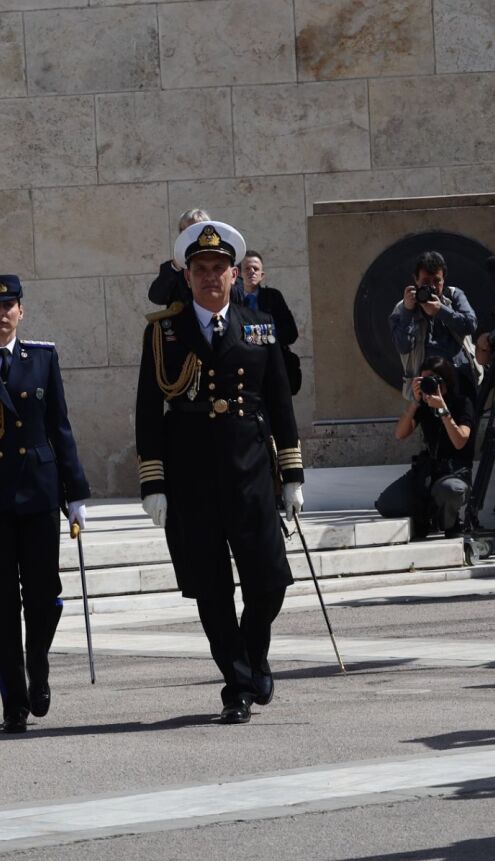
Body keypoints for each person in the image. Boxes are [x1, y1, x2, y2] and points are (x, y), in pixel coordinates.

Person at [134, 221, 303, 725]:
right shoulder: (164, 333)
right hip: (192, 480)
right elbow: (148, 410)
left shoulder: (259, 326)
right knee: (211, 589)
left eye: (218, 269)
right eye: (200, 269)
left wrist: (292, 474)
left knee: (269, 582)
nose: (210, 277)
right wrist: (153, 483)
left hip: (252, 473)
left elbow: (279, 403)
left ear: (234, 274)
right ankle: (237, 685)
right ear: (186, 277)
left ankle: (253, 657)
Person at [0, 275, 91, 734]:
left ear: (21, 310)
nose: (2, 314)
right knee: (0, 602)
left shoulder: (42, 358)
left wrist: (76, 495)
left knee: (43, 595)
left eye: (9, 305)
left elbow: (60, 426)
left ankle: (39, 667)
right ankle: (13, 700)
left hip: (38, 493)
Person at [375, 355, 475, 537]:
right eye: (423, 381)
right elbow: (400, 434)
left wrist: (443, 409)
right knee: (386, 504)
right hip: (428, 471)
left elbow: (460, 441)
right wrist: (415, 401)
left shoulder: (462, 403)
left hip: (455, 472)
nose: (429, 386)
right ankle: (425, 517)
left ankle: (450, 523)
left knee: (451, 490)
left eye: (432, 381)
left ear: (445, 381)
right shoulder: (424, 406)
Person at [389, 251, 479, 397]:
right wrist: (408, 311)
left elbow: (470, 325)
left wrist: (441, 311)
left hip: (460, 378)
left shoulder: (454, 296)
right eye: (425, 282)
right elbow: (403, 346)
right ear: (415, 280)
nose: (432, 287)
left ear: (444, 279)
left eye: (437, 281)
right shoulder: (402, 308)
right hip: (425, 386)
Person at [237, 251, 303, 395]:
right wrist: (268, 334)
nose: (251, 272)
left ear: (262, 275)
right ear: (238, 274)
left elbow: (291, 333)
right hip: (242, 371)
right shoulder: (230, 300)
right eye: (247, 269)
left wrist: (250, 335)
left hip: (272, 367)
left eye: (256, 269)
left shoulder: (273, 297)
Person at [147, 207, 212, 307]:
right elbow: (156, 297)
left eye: (194, 231)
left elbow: (237, 294)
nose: (188, 236)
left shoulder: (224, 262)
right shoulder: (173, 268)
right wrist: (175, 266)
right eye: (184, 231)